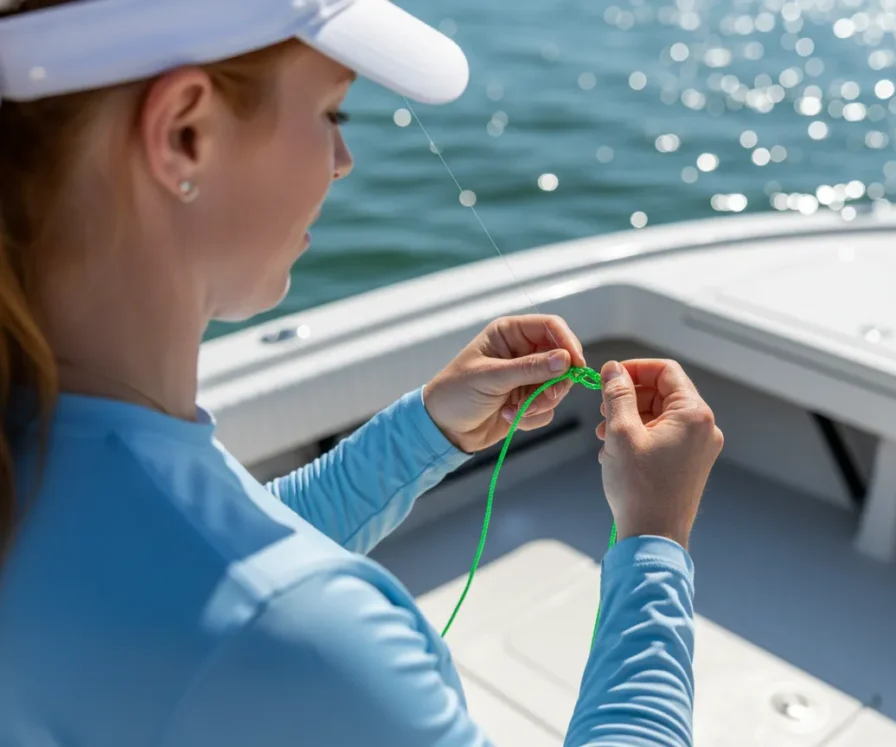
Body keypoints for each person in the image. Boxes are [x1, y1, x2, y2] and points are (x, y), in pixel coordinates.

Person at [0, 0, 724, 745]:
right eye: (333, 113)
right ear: (185, 133)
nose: (344, 161)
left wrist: (426, 430)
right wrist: (655, 541)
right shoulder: (307, 641)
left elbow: (194, 570)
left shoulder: (42, 430)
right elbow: (247, 597)